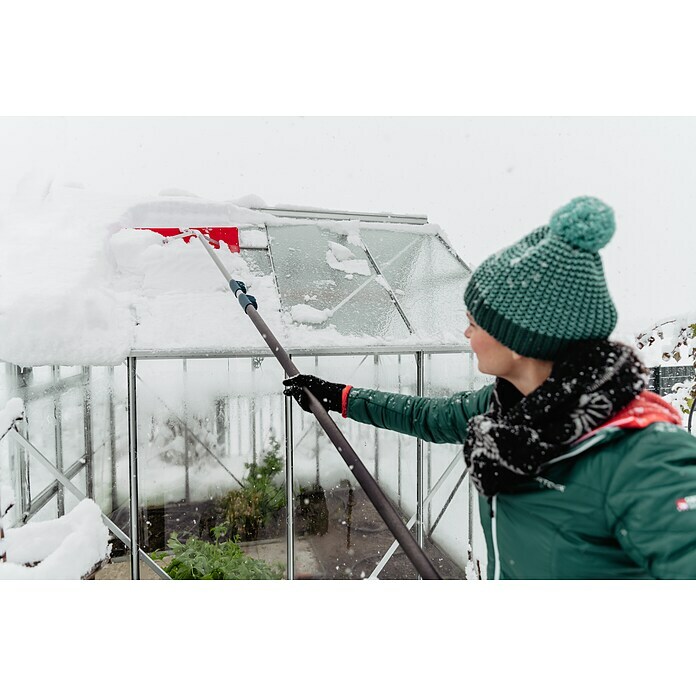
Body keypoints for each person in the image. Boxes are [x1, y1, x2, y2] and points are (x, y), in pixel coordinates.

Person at [284, 196, 696, 580]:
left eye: (475, 322)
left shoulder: (643, 457)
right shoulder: (508, 408)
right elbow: (427, 416)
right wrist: (336, 396)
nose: (466, 332)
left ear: (520, 340)